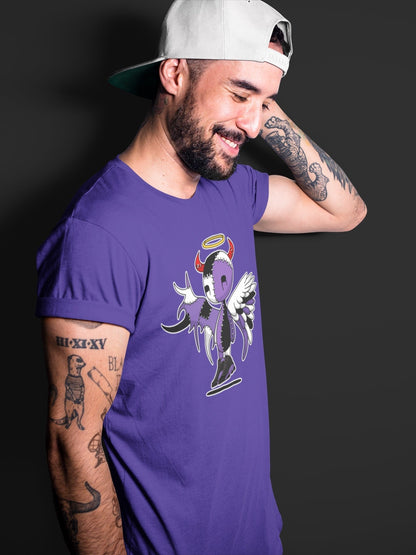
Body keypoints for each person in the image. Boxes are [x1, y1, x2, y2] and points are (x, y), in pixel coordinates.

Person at [36, 1, 366, 554]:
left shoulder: (232, 190)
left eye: (266, 102)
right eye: (239, 94)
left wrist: (258, 104)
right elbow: (74, 446)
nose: (254, 125)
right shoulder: (99, 233)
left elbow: (347, 211)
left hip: (256, 538)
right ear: (174, 74)